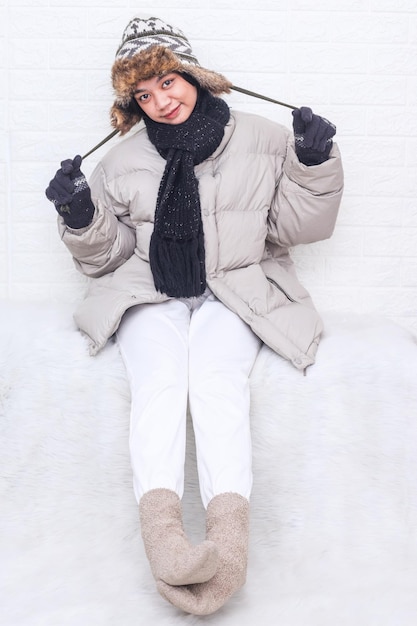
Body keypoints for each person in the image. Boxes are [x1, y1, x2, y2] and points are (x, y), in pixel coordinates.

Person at [45, 15, 344, 616]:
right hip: (151, 292)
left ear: (192, 74)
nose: (160, 101)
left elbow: (296, 226)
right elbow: (109, 256)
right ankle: (167, 546)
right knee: (159, 384)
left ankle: (227, 549)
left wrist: (313, 161)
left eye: (166, 82)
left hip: (234, 287)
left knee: (215, 385)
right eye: (143, 95)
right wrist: (80, 215)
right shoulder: (121, 161)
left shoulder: (260, 137)